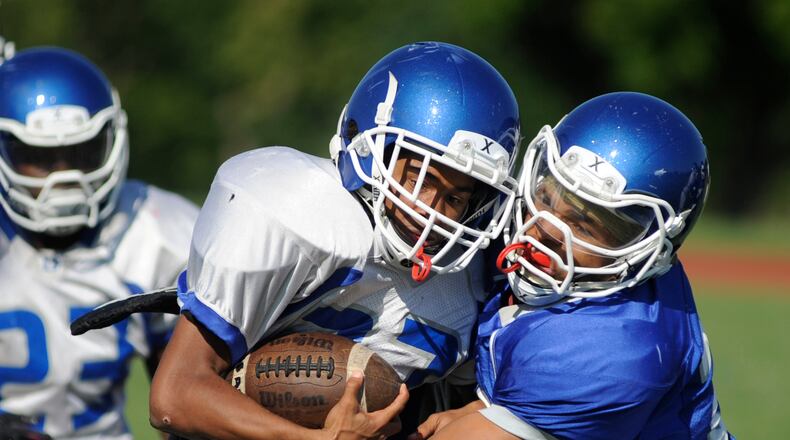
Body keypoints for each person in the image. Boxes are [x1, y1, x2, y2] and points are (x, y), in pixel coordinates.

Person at [144, 41, 521, 440]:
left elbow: (475, 408)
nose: (431, 210)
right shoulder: (294, 210)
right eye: (419, 178)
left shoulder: (474, 276)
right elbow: (174, 396)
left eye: (456, 198)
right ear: (370, 145)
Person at [412, 92, 734, 439]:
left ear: (648, 250)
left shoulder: (605, 352)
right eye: (548, 196)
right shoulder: (613, 279)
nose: (546, 228)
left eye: (583, 225)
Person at [0, 46, 198, 438]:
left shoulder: (156, 233)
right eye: (40, 158)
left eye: (81, 154)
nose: (65, 179)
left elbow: (188, 401)